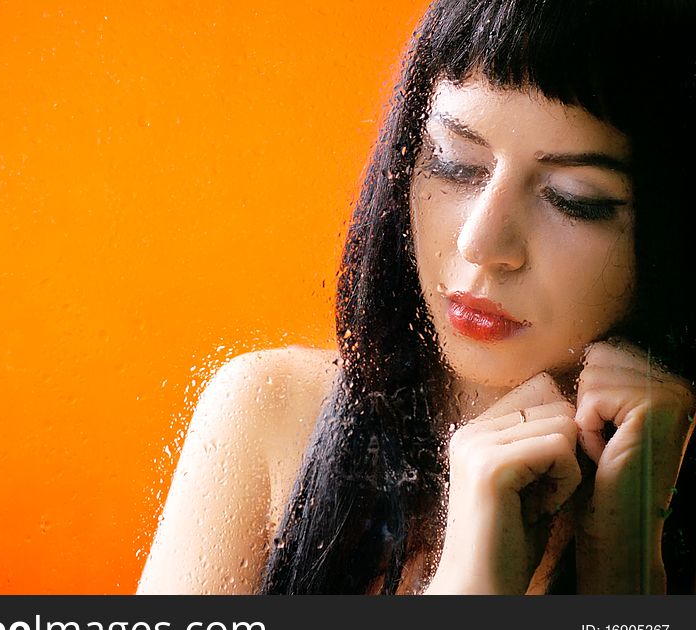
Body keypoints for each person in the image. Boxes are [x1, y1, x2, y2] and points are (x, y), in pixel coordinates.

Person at [137, 0, 696, 595]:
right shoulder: (272, 414)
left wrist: (625, 567)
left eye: (573, 198)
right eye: (456, 164)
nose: (481, 242)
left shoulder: (654, 498)